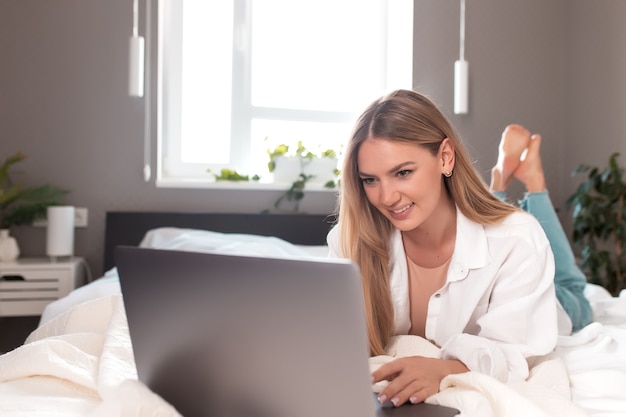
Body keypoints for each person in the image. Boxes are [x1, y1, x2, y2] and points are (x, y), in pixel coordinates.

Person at [327, 90, 560, 407]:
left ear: (445, 157)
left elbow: (518, 350)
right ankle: (501, 183)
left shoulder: (517, 239)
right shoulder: (350, 241)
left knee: (572, 289)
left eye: (403, 173)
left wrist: (444, 369)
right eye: (370, 180)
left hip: (552, 305)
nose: (386, 197)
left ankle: (530, 180)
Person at [489, 124, 593, 332]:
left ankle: (509, 186)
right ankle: (507, 186)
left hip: (497, 287)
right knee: (576, 295)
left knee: (567, 284)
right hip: (528, 301)